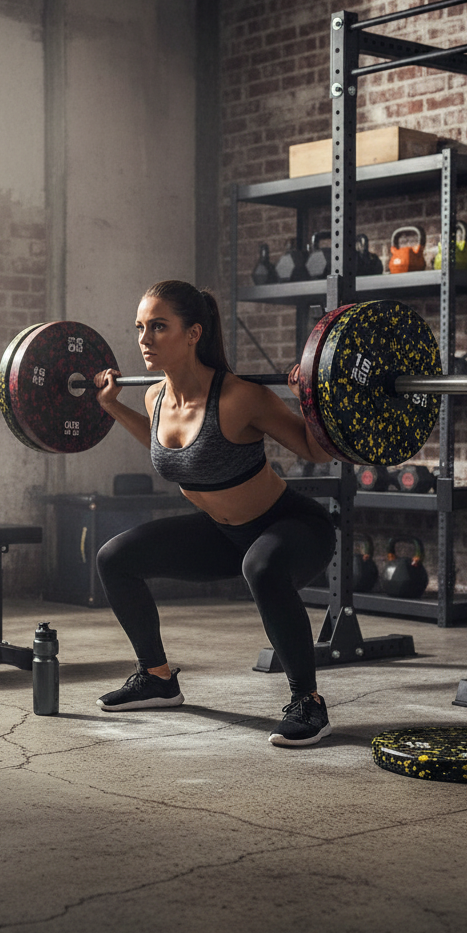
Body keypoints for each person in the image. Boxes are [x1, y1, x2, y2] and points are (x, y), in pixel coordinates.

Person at [92, 279, 338, 747]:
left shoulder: (240, 397)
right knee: (115, 558)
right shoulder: (154, 397)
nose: (144, 338)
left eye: (159, 327)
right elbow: (163, 444)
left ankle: (309, 702)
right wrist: (112, 406)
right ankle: (158, 678)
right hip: (225, 536)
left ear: (193, 333)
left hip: (290, 528)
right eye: (140, 327)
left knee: (261, 566)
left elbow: (315, 450)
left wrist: (311, 399)